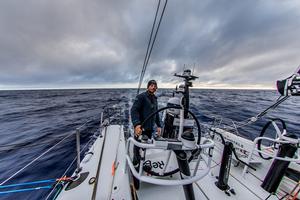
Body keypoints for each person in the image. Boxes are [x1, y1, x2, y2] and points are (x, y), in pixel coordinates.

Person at [130, 80, 162, 175]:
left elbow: (156, 114)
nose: (153, 87)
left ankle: (142, 160)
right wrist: (136, 124)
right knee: (137, 145)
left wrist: (159, 125)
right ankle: (135, 163)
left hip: (150, 128)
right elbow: (134, 110)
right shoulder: (141, 97)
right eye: (151, 85)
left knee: (145, 145)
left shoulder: (155, 99)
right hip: (141, 127)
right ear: (148, 87)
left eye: (155, 86)